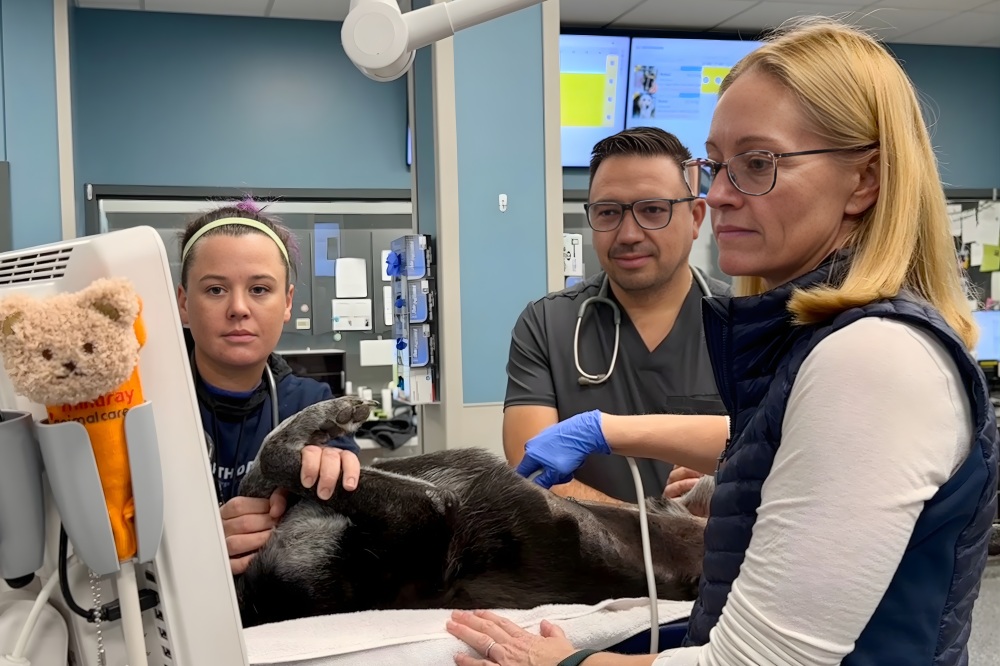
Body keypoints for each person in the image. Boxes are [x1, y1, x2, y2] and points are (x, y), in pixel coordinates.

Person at [448, 17, 998, 666]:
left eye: (758, 164)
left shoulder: (872, 359)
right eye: (718, 166)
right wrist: (740, 479)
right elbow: (776, 441)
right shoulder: (818, 343)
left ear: (865, 180)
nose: (722, 194)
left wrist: (568, 664)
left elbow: (759, 661)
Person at [502, 126, 730, 504]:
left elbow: (782, 456)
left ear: (695, 218)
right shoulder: (546, 325)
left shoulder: (742, 323)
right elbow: (532, 471)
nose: (627, 234)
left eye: (653, 210)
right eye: (608, 212)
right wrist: (655, 531)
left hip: (716, 558)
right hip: (589, 561)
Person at [177, 198, 362, 575]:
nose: (239, 308)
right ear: (182, 302)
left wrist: (331, 488)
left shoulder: (314, 409)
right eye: (215, 290)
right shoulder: (143, 407)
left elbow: (343, 551)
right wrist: (196, 546)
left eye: (260, 289)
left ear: (288, 302)